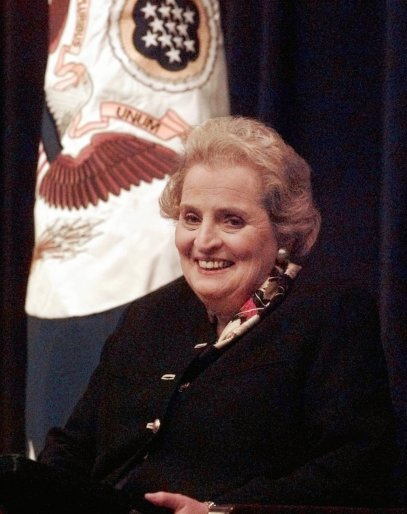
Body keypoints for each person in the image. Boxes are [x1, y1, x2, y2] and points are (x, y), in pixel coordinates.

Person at [38, 116, 396, 513]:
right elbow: (73, 448)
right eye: (191, 218)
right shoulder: (147, 316)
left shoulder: (329, 312)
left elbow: (358, 472)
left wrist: (219, 513)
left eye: (232, 221)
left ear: (285, 231)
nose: (204, 241)